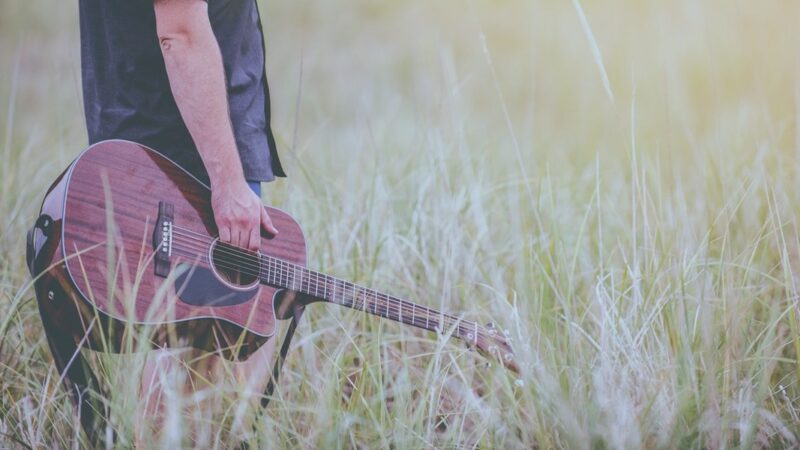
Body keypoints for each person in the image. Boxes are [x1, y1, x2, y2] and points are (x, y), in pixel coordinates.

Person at [78, 0, 285, 442]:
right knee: (175, 348)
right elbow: (180, 32)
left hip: (175, 140)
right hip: (181, 152)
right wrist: (228, 182)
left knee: (207, 350)